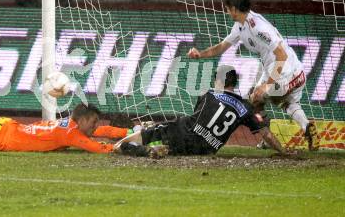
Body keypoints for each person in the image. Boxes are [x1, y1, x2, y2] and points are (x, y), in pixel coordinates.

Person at [187, 0, 320, 151]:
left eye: (227, 8)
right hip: (273, 69)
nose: (227, 12)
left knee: (258, 97)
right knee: (271, 102)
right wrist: (200, 54)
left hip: (289, 71)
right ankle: (306, 128)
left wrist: (267, 85)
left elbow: (282, 55)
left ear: (234, 9)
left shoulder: (259, 28)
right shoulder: (240, 26)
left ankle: (271, 137)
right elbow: (222, 47)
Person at [0, 71, 129, 153]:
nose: (96, 126)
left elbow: (102, 132)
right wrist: (124, 146)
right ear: (81, 120)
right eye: (94, 122)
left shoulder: (67, 123)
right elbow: (96, 147)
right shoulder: (71, 133)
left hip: (7, 128)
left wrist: (130, 132)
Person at [114, 65, 287, 158]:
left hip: (184, 134)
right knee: (176, 146)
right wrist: (284, 152)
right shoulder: (245, 108)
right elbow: (267, 135)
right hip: (206, 149)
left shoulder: (207, 93)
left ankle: (132, 146)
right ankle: (161, 148)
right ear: (235, 83)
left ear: (218, 81)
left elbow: (197, 118)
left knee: (125, 143)